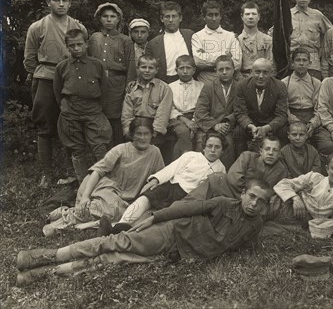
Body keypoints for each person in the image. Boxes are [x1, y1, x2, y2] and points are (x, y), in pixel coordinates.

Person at [16, 179, 272, 286]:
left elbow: (236, 245)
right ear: (242, 194)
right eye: (251, 196)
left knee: (112, 260)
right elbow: (185, 208)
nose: (254, 203)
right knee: (116, 242)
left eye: (261, 201)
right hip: (173, 233)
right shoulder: (223, 203)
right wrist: (153, 218)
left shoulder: (255, 225)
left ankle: (45, 273)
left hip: (181, 255)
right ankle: (48, 255)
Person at [42, 118, 165, 236]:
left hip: (129, 197)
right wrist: (85, 196)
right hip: (108, 189)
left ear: (152, 135)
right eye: (139, 134)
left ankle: (92, 223)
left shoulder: (155, 152)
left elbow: (160, 175)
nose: (142, 138)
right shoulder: (121, 150)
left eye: (146, 134)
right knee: (108, 209)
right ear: (132, 134)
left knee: (133, 215)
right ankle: (59, 221)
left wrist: (154, 180)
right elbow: (97, 171)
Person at [24, 0, 88, 183]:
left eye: (65, 1)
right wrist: (41, 74)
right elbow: (29, 58)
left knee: (70, 125)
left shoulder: (78, 27)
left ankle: (72, 174)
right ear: (48, 3)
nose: (61, 4)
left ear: (70, 3)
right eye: (56, 0)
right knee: (45, 126)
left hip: (71, 79)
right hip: (46, 78)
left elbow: (85, 53)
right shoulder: (37, 27)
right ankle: (47, 174)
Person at [104, 132, 227, 234]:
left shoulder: (221, 170)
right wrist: (156, 179)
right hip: (172, 186)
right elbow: (171, 168)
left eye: (217, 147)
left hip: (188, 198)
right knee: (147, 196)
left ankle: (130, 232)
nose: (212, 150)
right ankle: (121, 225)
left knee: (162, 216)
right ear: (204, 147)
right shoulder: (192, 156)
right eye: (209, 146)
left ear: (222, 150)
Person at [54, 29, 112, 182]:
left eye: (80, 44)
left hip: (93, 111)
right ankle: (83, 185)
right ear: (67, 47)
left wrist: (98, 108)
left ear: (86, 44)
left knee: (100, 146)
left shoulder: (97, 65)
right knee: (76, 149)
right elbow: (57, 91)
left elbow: (105, 90)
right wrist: (66, 108)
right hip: (70, 112)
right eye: (72, 46)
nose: (76, 48)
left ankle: (105, 182)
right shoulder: (62, 67)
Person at [88, 2, 133, 145]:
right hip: (96, 82)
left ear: (118, 19)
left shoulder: (125, 40)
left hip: (117, 83)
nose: (109, 20)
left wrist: (129, 86)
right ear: (99, 18)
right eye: (105, 16)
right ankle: (101, 151)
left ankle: (117, 150)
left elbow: (131, 65)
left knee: (115, 117)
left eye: (113, 16)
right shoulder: (94, 38)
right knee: (98, 115)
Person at [281, 48, 333, 163]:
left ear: (309, 63)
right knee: (283, 137)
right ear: (292, 63)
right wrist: (294, 122)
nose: (301, 63)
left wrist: (313, 124)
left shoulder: (316, 83)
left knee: (327, 144)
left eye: (304, 60)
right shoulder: (284, 83)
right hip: (291, 119)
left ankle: (318, 168)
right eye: (298, 60)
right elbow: (283, 107)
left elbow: (320, 107)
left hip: (311, 117)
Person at [272, 151, 333, 222]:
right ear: (327, 169)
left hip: (306, 222)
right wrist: (295, 198)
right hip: (289, 207)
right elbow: (282, 184)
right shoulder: (314, 177)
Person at [234, 58, 288, 155]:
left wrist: (268, 127)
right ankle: (242, 161)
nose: (261, 76)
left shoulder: (280, 86)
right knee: (238, 131)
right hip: (251, 124)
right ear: (251, 72)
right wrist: (251, 126)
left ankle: (281, 161)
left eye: (265, 72)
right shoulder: (241, 86)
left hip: (270, 123)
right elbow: (240, 113)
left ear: (271, 73)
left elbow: (282, 115)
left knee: (284, 131)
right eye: (257, 72)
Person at [194, 55, 238, 168]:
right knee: (202, 143)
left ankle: (225, 176)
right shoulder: (208, 87)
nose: (224, 72)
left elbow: (241, 110)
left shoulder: (239, 87)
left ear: (234, 69)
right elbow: (200, 112)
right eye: (220, 69)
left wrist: (228, 122)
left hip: (229, 127)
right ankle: (202, 174)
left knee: (229, 144)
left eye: (228, 69)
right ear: (215, 71)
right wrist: (215, 125)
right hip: (210, 127)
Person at [121, 55, 173, 147]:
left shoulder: (164, 88)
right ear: (138, 68)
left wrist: (155, 132)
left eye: (151, 68)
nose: (147, 70)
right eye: (143, 67)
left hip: (153, 128)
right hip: (135, 127)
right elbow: (127, 113)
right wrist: (128, 131)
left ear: (156, 70)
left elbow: (163, 113)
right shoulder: (132, 89)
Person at [289, 0, 333, 79]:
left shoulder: (317, 15)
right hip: (292, 64)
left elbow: (331, 35)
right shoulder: (286, 15)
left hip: (313, 65)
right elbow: (273, 36)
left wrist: (324, 54)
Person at [192, 1, 240, 83]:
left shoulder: (230, 36)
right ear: (204, 17)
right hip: (206, 81)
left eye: (216, 15)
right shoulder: (197, 36)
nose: (214, 19)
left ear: (220, 16)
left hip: (228, 81)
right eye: (210, 15)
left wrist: (207, 56)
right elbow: (199, 61)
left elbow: (237, 63)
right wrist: (225, 55)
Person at [145, 1, 194, 83]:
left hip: (189, 80)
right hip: (166, 81)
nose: (171, 20)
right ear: (162, 19)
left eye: (174, 16)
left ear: (180, 18)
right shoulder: (153, 44)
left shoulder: (190, 35)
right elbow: (149, 67)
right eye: (167, 17)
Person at [167, 55, 204, 160]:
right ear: (176, 70)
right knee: (184, 132)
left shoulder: (201, 86)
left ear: (194, 70)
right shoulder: (170, 87)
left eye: (188, 68)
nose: (185, 71)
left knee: (200, 137)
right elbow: (170, 108)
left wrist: (193, 122)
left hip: (196, 117)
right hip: (176, 118)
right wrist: (185, 121)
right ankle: (181, 163)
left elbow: (201, 107)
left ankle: (197, 163)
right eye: (181, 68)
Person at [237, 1, 273, 77]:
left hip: (263, 78)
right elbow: (235, 67)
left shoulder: (268, 40)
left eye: (254, 14)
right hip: (243, 80)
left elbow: (271, 65)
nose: (250, 17)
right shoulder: (236, 41)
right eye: (247, 14)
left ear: (259, 16)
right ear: (242, 17)